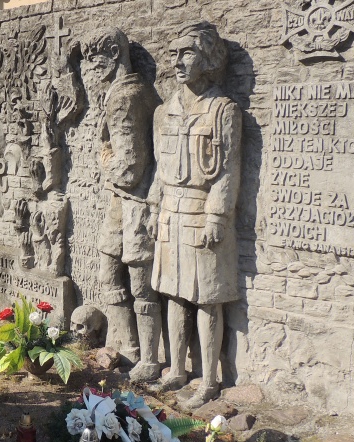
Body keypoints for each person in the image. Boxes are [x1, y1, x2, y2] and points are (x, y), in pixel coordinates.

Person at [148, 22, 242, 408]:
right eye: (173, 54)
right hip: (171, 213)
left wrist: (217, 219)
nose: (177, 62)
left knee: (207, 299)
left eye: (186, 53)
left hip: (203, 216)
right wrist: (155, 208)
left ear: (208, 59)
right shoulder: (163, 111)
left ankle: (209, 379)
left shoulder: (223, 110)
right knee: (173, 293)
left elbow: (227, 171)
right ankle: (176, 370)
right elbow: (159, 167)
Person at [81, 28, 162, 380]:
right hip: (120, 205)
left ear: (115, 53)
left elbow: (128, 169)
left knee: (141, 286)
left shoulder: (126, 97)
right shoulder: (127, 92)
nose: (91, 69)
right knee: (109, 275)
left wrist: (103, 158)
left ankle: (149, 358)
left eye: (96, 60)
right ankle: (127, 349)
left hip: (136, 202)